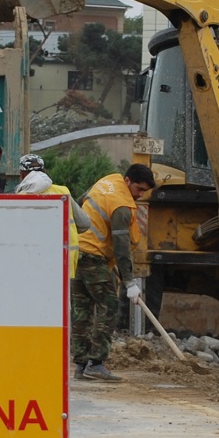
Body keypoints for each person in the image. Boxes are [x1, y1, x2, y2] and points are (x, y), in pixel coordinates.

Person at [71, 163, 157, 382]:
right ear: (127, 181)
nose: (140, 195)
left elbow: (80, 204)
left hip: (75, 254)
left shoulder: (106, 182)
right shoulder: (121, 206)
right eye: (139, 189)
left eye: (144, 191)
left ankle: (81, 365)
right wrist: (129, 282)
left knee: (82, 312)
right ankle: (96, 363)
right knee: (108, 306)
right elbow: (122, 246)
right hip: (93, 258)